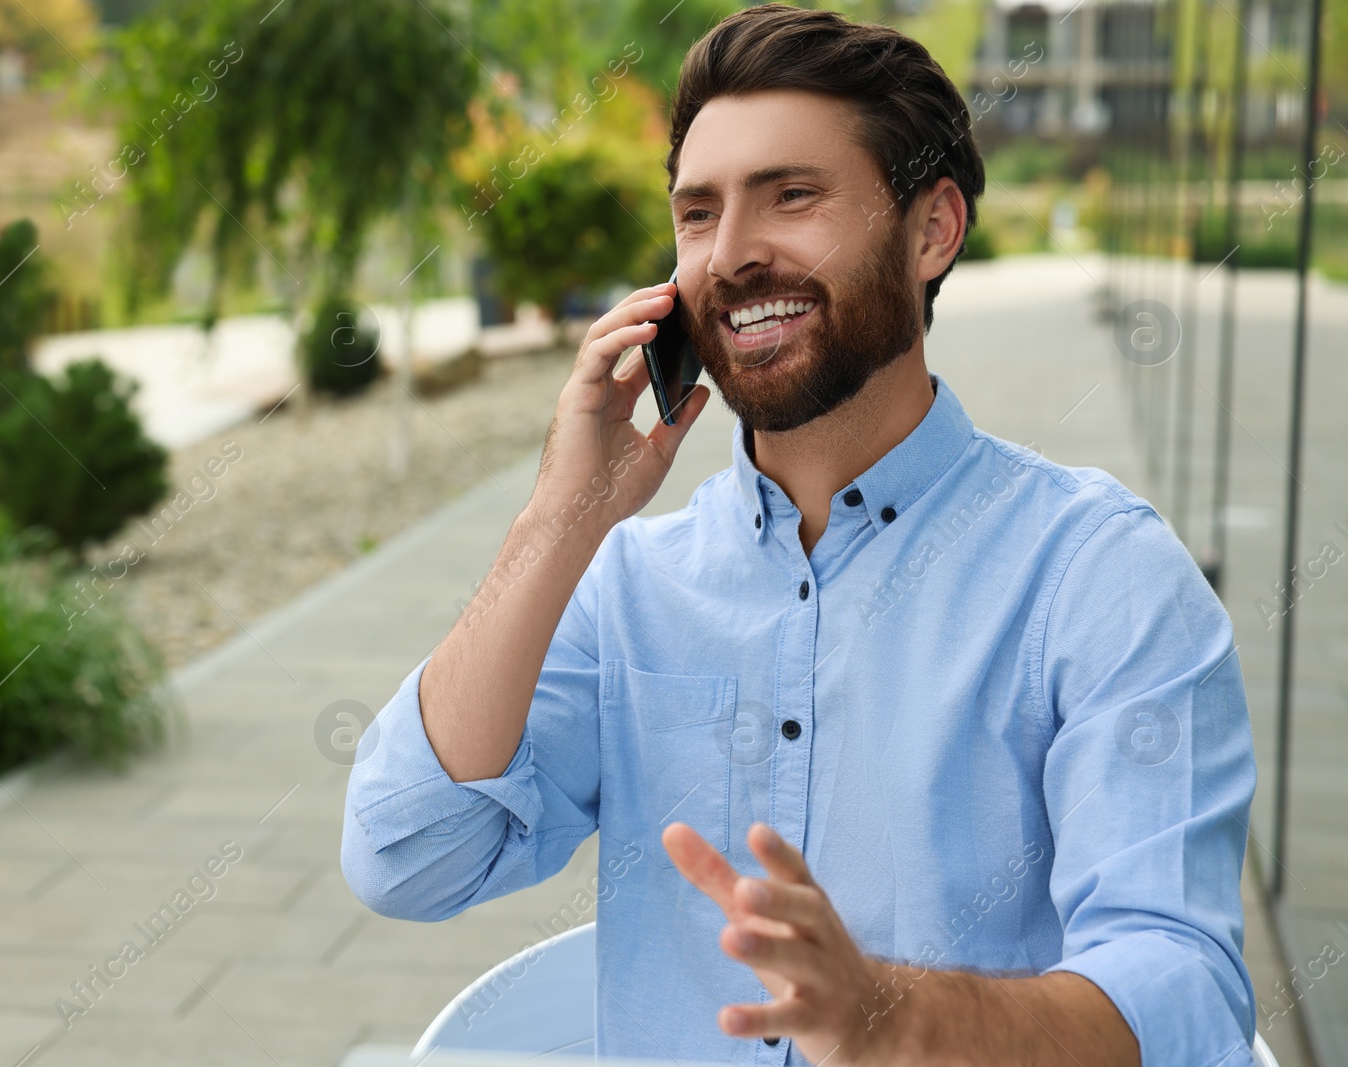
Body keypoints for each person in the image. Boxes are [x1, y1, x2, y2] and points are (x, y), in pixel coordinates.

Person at [340, 6, 1258, 1064]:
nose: (729, 255)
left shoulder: (1100, 578)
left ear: (932, 229)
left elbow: (1184, 998)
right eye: (696, 215)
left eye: (791, 196)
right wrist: (559, 519)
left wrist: (888, 1015)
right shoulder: (627, 580)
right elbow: (405, 856)